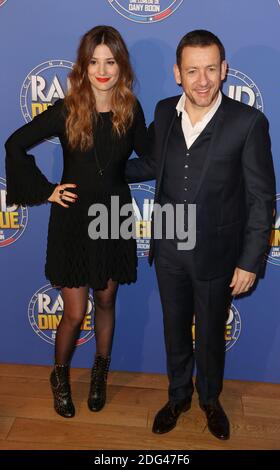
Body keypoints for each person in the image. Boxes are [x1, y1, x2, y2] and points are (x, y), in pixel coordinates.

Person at [125, 30, 275, 440]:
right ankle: (177, 398)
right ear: (178, 73)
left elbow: (262, 200)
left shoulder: (248, 124)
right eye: (193, 70)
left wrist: (249, 260)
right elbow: (152, 163)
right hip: (169, 250)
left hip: (218, 255)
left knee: (209, 334)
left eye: (211, 68)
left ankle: (209, 398)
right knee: (174, 329)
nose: (203, 79)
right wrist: (100, 170)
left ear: (224, 70)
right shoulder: (161, 112)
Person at [5, 25, 148, 418]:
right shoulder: (68, 109)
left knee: (106, 298)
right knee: (73, 311)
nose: (103, 70)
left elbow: (152, 158)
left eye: (111, 61)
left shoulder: (130, 109)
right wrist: (45, 189)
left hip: (114, 216)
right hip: (72, 219)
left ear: (121, 66)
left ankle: (100, 372)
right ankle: (61, 375)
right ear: (83, 67)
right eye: (94, 61)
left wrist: (118, 175)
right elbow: (14, 144)